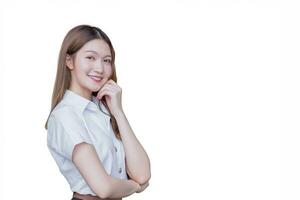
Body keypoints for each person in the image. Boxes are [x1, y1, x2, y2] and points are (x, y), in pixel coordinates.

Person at [44, 24, 151, 200]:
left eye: (107, 60)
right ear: (69, 61)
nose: (100, 68)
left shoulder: (103, 109)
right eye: (90, 57)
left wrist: (118, 112)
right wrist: (135, 187)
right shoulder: (65, 116)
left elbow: (143, 173)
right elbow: (104, 188)